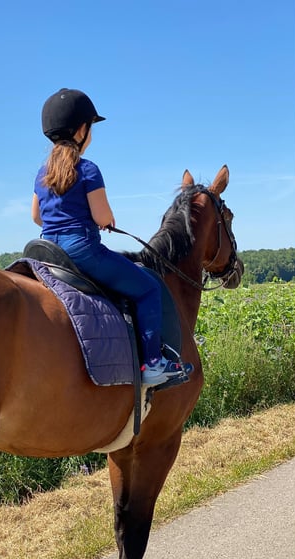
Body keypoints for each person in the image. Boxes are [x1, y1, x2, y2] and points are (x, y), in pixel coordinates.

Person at [31, 88, 187, 387]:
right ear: (81, 130)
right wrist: (105, 219)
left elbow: (36, 217)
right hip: (82, 250)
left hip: (48, 249)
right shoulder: (88, 169)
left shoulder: (42, 173)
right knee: (148, 289)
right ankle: (153, 365)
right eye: (91, 128)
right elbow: (102, 217)